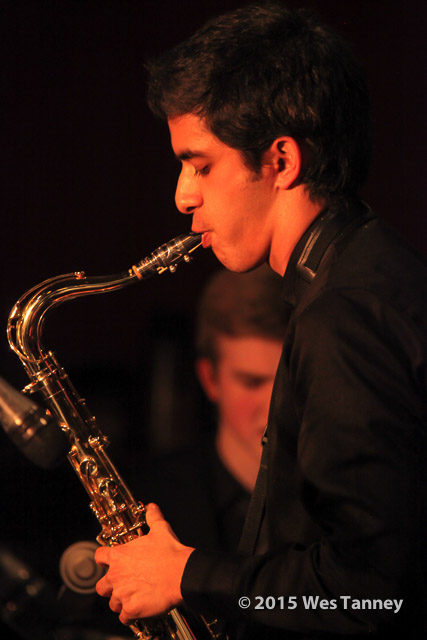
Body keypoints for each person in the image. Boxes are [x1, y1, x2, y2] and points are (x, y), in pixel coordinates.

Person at [95, 3, 427, 638]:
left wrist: (187, 575)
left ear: (281, 161)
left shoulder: (345, 314)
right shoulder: (370, 274)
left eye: (201, 165)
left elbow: (374, 596)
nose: (182, 196)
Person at [138, 266, 286, 553]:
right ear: (210, 379)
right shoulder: (148, 496)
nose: (277, 406)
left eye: (292, 381)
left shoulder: (353, 496)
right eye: (252, 382)